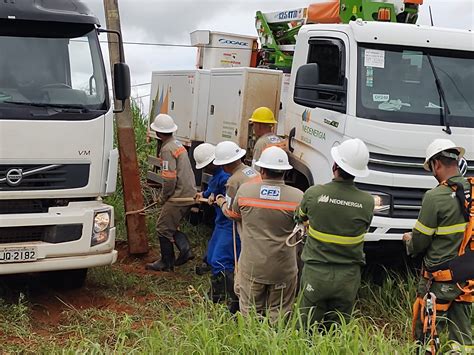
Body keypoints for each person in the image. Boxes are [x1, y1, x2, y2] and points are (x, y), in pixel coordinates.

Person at [296, 138, 374, 328]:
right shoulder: (367, 201)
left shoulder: (313, 194)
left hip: (316, 273)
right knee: (337, 330)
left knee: (304, 328)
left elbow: (299, 217)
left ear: (335, 165)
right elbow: (363, 227)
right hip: (347, 278)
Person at [403, 139, 473, 353]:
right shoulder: (472, 189)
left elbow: (420, 241)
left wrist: (409, 241)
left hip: (439, 279)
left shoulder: (434, 197)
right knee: (462, 337)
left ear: (436, 164)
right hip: (467, 278)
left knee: (426, 331)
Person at [230, 146, 303, 322]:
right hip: (283, 268)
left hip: (252, 266)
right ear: (285, 172)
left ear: (261, 170)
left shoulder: (245, 192)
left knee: (249, 312)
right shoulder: (299, 197)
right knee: (279, 314)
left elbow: (235, 214)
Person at [145, 114, 197, 272]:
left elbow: (169, 179)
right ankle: (183, 250)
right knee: (170, 226)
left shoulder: (167, 149)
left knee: (163, 228)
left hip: (178, 196)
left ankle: (167, 261)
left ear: (158, 133)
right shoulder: (177, 144)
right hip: (189, 192)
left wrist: (164, 197)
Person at [214, 140, 261, 312]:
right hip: (260, 220)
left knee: (239, 261)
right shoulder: (251, 170)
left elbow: (232, 213)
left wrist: (220, 202)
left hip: (245, 223)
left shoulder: (233, 181)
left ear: (226, 164)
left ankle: (236, 302)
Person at [192, 143, 236, 304]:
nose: (206, 169)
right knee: (211, 257)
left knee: (220, 260)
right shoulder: (217, 174)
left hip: (229, 223)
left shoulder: (226, 177)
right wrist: (203, 194)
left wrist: (218, 198)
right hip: (221, 222)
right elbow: (211, 189)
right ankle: (217, 292)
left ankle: (231, 298)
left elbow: (228, 199)